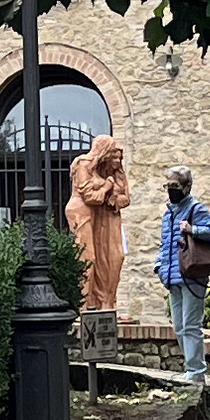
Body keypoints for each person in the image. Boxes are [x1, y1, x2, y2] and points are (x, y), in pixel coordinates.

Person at [154, 168, 210, 381]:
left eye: (175, 187)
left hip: (192, 275)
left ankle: (196, 373)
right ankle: (191, 368)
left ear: (187, 187)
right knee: (178, 327)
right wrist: (159, 266)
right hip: (171, 277)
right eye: (167, 186)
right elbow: (164, 244)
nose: (170, 191)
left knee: (191, 325)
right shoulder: (169, 213)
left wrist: (193, 229)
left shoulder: (196, 209)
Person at [71, 133, 132, 317]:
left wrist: (113, 197)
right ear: (104, 152)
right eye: (113, 155)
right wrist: (107, 188)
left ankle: (107, 302)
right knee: (88, 259)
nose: (116, 160)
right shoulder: (84, 164)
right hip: (85, 215)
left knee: (115, 257)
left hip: (107, 217)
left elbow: (125, 198)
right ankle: (85, 305)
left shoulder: (111, 172)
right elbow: (89, 196)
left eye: (118, 157)